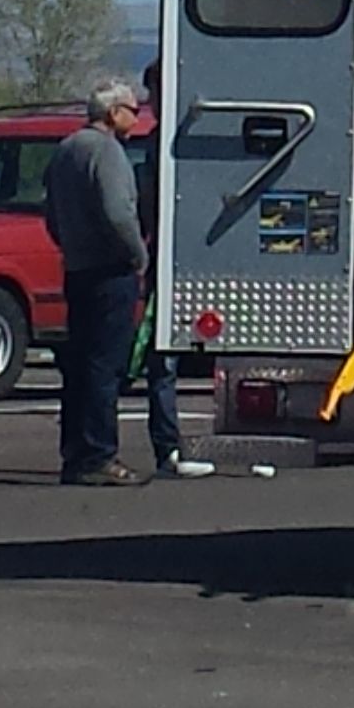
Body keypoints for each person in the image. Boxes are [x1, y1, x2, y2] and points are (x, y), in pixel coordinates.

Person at [44, 80, 154, 486]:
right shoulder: (106, 151)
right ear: (113, 113)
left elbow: (52, 215)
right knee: (105, 367)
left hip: (78, 270)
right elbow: (117, 211)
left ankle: (75, 453)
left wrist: (71, 246)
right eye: (131, 108)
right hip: (110, 272)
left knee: (81, 365)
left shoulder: (66, 149)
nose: (136, 115)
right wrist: (136, 255)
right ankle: (99, 455)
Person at [130, 66, 212, 478]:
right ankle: (168, 448)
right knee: (162, 358)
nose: (152, 101)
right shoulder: (155, 143)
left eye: (157, 91)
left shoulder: (179, 142)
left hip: (195, 255)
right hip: (167, 260)